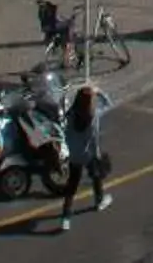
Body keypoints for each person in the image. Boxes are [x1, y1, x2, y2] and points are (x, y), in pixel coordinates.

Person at [55, 81, 112, 228]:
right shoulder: (93, 118)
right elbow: (107, 104)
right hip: (88, 154)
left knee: (72, 185)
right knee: (96, 176)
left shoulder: (71, 114)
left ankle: (65, 217)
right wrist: (99, 92)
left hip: (74, 154)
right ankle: (99, 201)